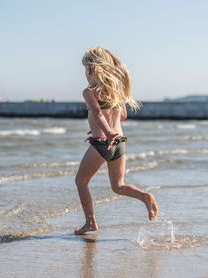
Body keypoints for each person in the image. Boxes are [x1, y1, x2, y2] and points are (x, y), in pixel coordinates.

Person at [75, 47, 159, 235]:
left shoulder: (89, 92)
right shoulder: (116, 91)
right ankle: (145, 197)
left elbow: (97, 113)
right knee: (118, 186)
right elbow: (123, 115)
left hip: (103, 142)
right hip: (120, 142)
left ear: (91, 68)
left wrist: (104, 130)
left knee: (81, 181)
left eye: (85, 67)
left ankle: (90, 223)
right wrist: (106, 128)